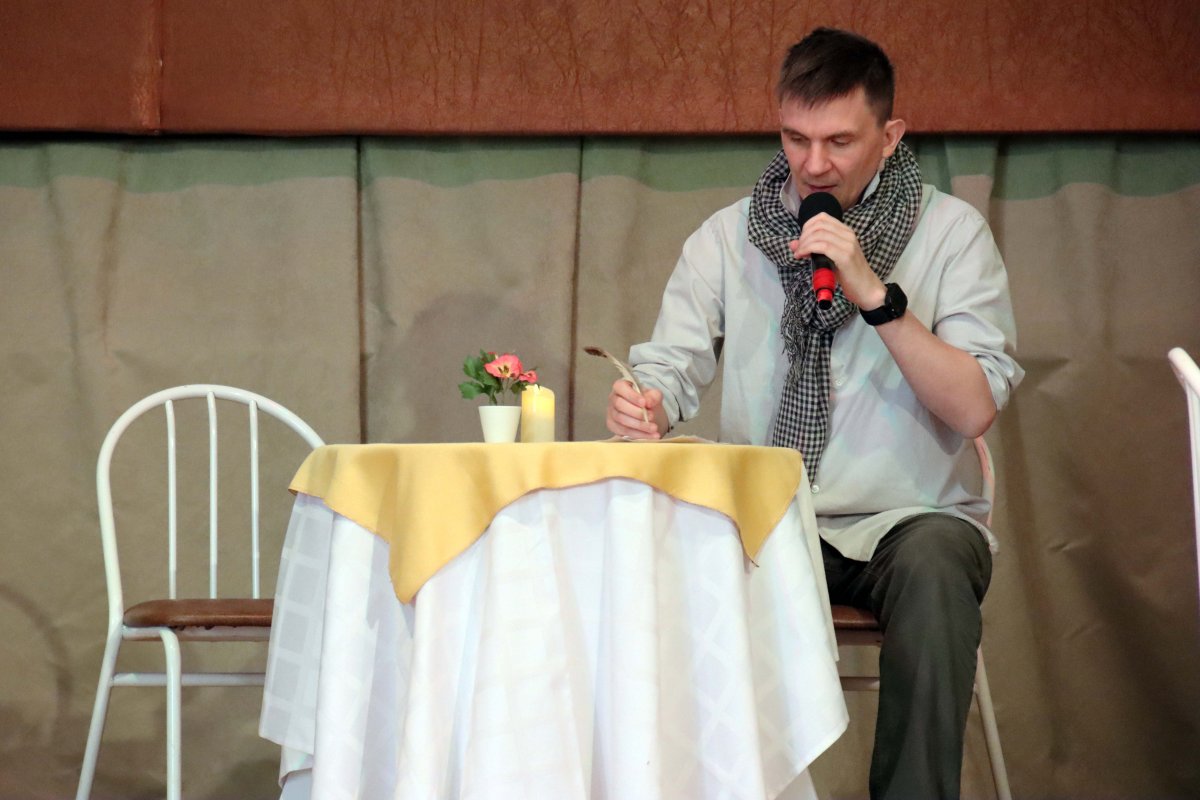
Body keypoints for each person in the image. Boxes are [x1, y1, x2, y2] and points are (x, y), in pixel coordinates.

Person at [604, 27, 1024, 800]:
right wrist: (648, 404)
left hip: (905, 522)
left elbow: (973, 408)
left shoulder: (950, 235)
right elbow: (668, 368)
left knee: (938, 566)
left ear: (890, 136)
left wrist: (876, 296)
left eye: (839, 141)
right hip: (767, 518)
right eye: (796, 138)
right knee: (649, 561)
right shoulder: (728, 237)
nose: (814, 164)